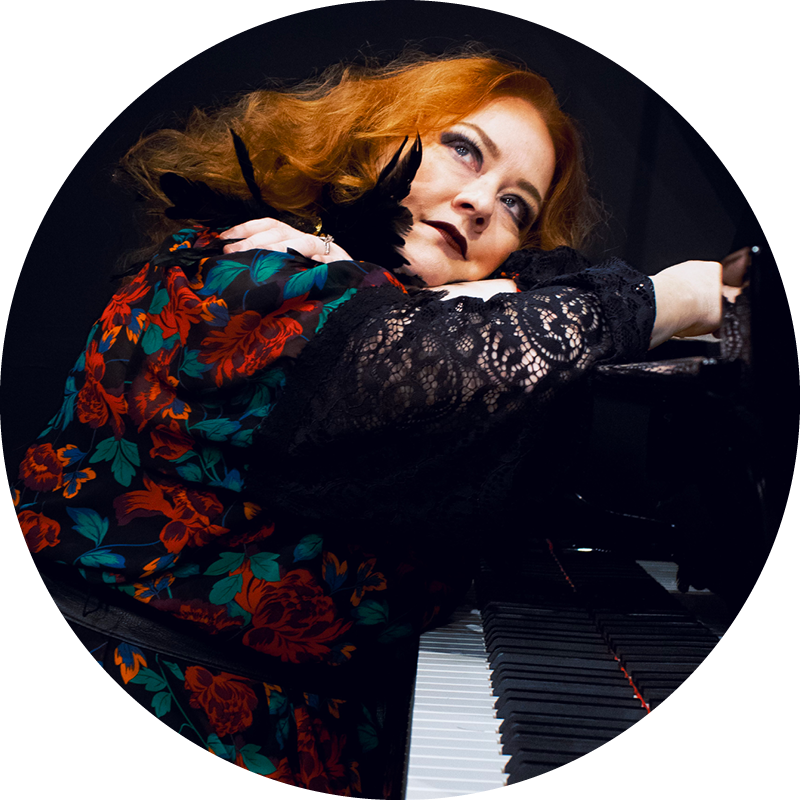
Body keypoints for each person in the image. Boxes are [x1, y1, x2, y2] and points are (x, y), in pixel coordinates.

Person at [9, 49, 736, 798]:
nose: (481, 204)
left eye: (517, 205)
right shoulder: (247, 272)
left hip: (305, 741)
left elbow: (516, 318)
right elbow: (442, 368)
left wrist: (485, 291)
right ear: (371, 139)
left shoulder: (389, 310)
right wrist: (684, 295)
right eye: (464, 150)